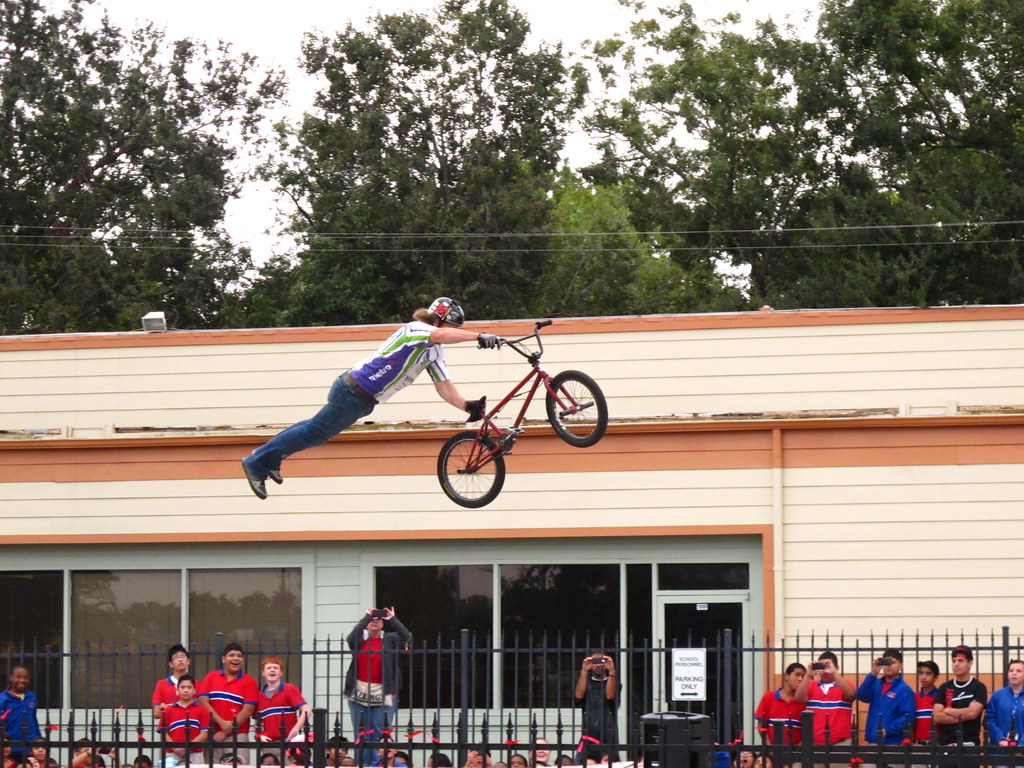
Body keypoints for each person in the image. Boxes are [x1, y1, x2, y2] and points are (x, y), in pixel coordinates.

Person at [241, 297, 499, 499]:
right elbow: (440, 335)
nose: (455, 332)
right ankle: (257, 462)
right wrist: (478, 336)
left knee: (316, 431)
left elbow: (445, 388)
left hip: (363, 400)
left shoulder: (434, 353)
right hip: (354, 390)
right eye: (454, 326)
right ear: (439, 320)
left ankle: (268, 458)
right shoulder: (416, 329)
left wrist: (468, 406)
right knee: (315, 432)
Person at [344, 608, 413, 766]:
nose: (374, 621)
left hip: (385, 693)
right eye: (371, 619)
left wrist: (393, 619)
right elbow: (349, 638)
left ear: (383, 624)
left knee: (380, 734)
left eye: (378, 619)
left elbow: (407, 638)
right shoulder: (360, 638)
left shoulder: (391, 639)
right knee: (361, 734)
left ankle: (377, 765)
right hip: (358, 693)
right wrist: (366, 617)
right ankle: (363, 765)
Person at [197, 643, 260, 764]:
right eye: (231, 655)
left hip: (238, 735)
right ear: (223, 659)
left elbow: (248, 710)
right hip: (212, 735)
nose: (235, 658)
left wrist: (226, 731)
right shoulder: (211, 677)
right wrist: (222, 724)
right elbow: (203, 702)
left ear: (243, 660)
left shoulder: (249, 681)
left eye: (239, 656)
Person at [794, 651, 856, 766]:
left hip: (840, 745)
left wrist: (835, 673)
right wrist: (808, 674)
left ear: (837, 667)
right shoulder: (811, 685)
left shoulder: (845, 684)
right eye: (821, 666)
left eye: (827, 666)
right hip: (813, 745)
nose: (824, 671)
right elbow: (799, 698)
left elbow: (850, 695)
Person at [857, 648, 915, 746]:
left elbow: (908, 717)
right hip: (873, 741)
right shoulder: (875, 683)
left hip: (893, 743)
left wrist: (887, 730)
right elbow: (862, 696)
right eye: (886, 662)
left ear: (901, 666)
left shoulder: (905, 689)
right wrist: (873, 673)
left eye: (893, 662)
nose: (889, 665)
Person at [932, 645, 987, 746]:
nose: (956, 664)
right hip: (947, 744)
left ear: (970, 663)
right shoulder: (945, 687)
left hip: (970, 745)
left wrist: (948, 710)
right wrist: (965, 713)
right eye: (954, 661)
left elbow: (973, 714)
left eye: (961, 661)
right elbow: (937, 716)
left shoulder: (979, 687)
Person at [574, 651, 620, 762]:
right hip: (588, 731)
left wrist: (612, 671)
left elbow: (610, 696)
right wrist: (584, 670)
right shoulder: (585, 681)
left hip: (608, 731)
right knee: (584, 762)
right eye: (595, 662)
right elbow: (578, 696)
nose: (598, 665)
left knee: (608, 762)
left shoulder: (613, 682)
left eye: (602, 662)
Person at [256, 656, 311, 744]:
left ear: (281, 673)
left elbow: (307, 711)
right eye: (269, 668)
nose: (272, 670)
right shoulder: (259, 695)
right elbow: (257, 721)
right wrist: (259, 735)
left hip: (288, 740)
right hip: (269, 742)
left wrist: (295, 730)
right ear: (263, 672)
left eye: (276, 668)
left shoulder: (289, 689)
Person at [158, 674, 210, 764]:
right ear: (177, 690)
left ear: (194, 691)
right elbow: (163, 733)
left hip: (195, 753)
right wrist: (176, 748)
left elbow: (204, 734)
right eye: (182, 687)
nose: (186, 690)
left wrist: (187, 747)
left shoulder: (202, 710)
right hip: (173, 753)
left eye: (189, 687)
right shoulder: (168, 710)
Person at [754, 662, 806, 744]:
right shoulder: (768, 697)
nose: (800, 679)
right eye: (797, 675)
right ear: (786, 676)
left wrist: (797, 752)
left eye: (803, 677)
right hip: (773, 751)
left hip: (795, 753)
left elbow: (807, 731)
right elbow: (761, 726)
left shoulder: (803, 701)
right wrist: (770, 748)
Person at [987, 659, 1024, 760]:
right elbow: (989, 719)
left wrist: (1021, 745)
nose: (1014, 673)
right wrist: (1000, 739)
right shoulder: (998, 695)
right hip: (1000, 751)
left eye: (1019, 671)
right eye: (1011, 671)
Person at [0, 667, 41, 757]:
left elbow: (34, 720)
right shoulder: (2, 699)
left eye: (25, 678)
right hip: (10, 749)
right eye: (18, 677)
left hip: (30, 748)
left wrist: (39, 741)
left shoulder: (32, 696)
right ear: (11, 677)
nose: (22, 680)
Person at [153, 646, 192, 720]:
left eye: (183, 656)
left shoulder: (196, 684)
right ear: (171, 664)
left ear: (188, 661)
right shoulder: (161, 684)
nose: (180, 660)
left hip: (190, 727)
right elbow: (157, 713)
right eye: (176, 657)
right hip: (168, 728)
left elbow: (198, 711)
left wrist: (167, 707)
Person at [913, 661, 940, 744]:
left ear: (935, 677)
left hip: (936, 744)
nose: (923, 677)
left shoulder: (940, 697)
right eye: (921, 673)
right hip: (917, 744)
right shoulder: (914, 697)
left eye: (928, 673)